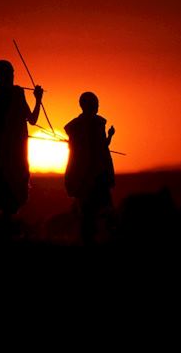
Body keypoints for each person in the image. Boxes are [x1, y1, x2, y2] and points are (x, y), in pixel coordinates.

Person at [0, 59, 43, 219]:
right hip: (5, 151)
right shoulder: (10, 94)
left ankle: (7, 223)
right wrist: (38, 99)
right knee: (8, 187)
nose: (12, 76)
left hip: (4, 150)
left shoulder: (4, 94)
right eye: (9, 73)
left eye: (12, 72)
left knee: (8, 188)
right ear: (0, 75)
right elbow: (32, 120)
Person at [64, 91, 116, 245]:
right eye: (96, 104)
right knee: (100, 209)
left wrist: (109, 136)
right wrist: (109, 136)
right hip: (96, 173)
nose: (98, 106)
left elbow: (80, 147)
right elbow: (102, 146)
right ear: (90, 105)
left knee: (87, 210)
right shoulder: (98, 123)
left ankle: (88, 238)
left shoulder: (74, 126)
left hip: (81, 173)